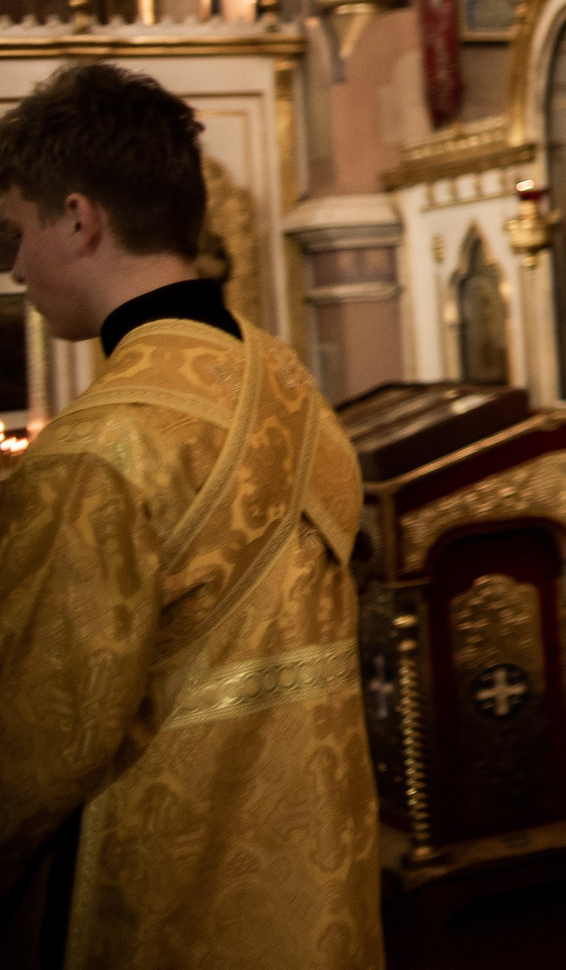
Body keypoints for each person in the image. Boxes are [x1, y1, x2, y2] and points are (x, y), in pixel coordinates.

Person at [0, 64, 379, 970]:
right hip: (316, 881)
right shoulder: (286, 380)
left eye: (15, 233)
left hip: (159, 904)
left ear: (80, 218)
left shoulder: (100, 450)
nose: (13, 267)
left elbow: (33, 746)